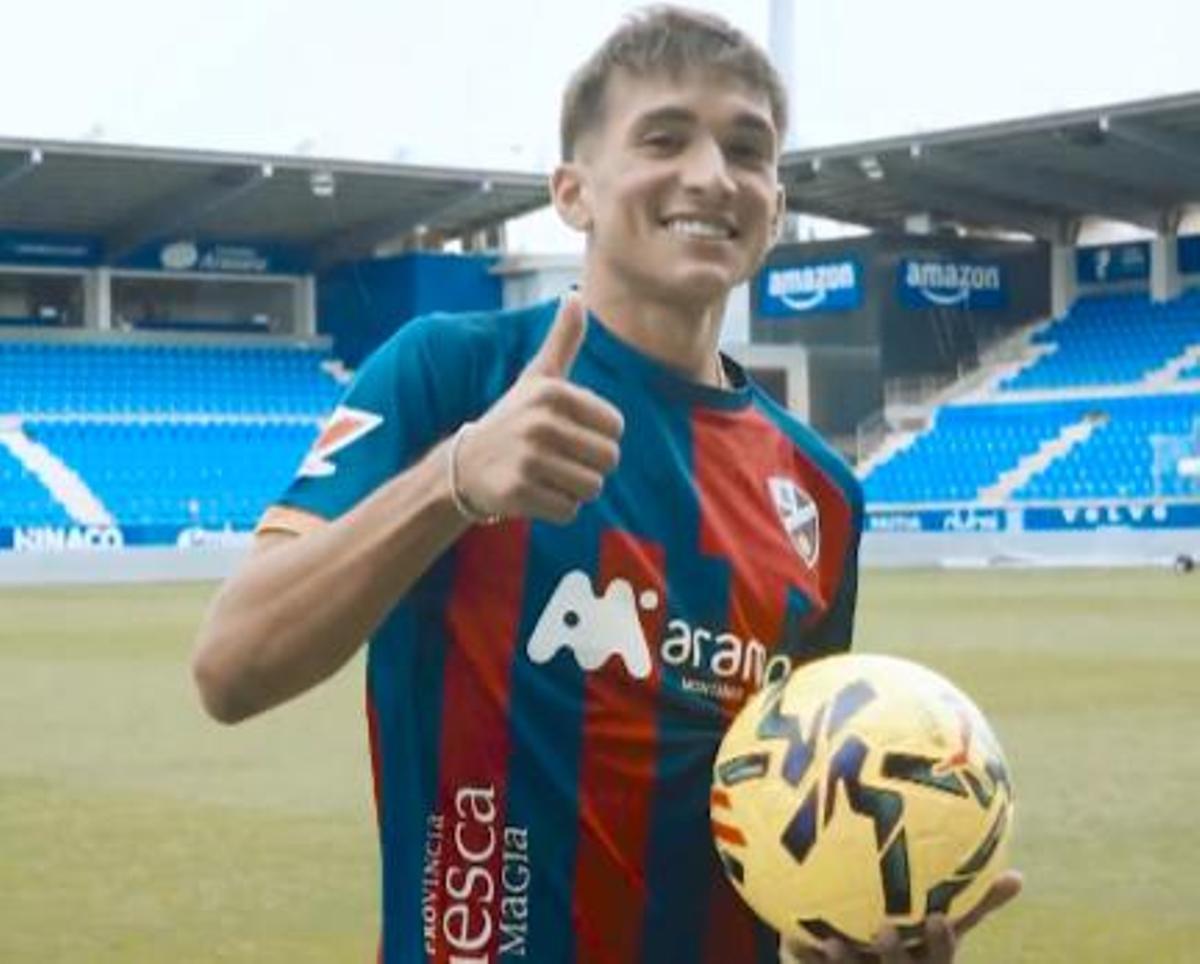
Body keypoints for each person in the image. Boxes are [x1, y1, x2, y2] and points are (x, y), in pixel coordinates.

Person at [191, 6, 1020, 962]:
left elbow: (784, 820)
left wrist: (851, 931)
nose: (712, 175)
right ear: (572, 192)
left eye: (748, 151)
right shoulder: (452, 376)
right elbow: (231, 667)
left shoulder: (822, 496)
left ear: (775, 208)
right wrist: (453, 482)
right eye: (665, 138)